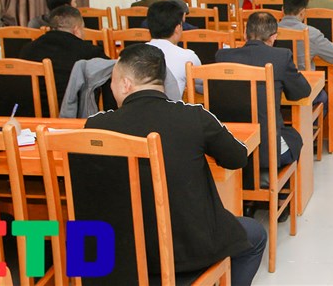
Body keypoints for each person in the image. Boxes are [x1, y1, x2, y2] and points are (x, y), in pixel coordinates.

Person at [85, 44, 266, 285]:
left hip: (115, 255)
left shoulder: (96, 127)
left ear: (126, 84)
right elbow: (237, 158)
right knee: (255, 235)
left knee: (69, 229)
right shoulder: (195, 116)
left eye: (112, 81)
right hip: (186, 253)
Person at [215, 12, 312, 168]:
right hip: (266, 152)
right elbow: (302, 92)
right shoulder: (281, 57)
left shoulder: (222, 57)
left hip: (228, 149)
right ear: (273, 37)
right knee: (295, 138)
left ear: (245, 34)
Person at [19, 5, 108, 95]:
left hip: (32, 103)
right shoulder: (90, 52)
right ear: (77, 30)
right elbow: (111, 73)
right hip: (70, 103)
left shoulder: (28, 49)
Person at [145, 0, 201, 97]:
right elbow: (202, 83)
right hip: (170, 106)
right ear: (177, 28)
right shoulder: (188, 57)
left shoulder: (133, 54)